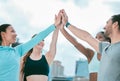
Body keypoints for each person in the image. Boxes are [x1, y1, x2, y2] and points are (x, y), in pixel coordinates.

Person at [60, 9, 120, 81]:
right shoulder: (105, 47)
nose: (104, 27)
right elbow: (86, 37)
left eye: (107, 23)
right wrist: (66, 24)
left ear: (115, 24)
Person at [0, 12, 61, 81]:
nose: (16, 34)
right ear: (3, 34)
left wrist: (55, 25)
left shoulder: (17, 51)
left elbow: (38, 37)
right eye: (12, 31)